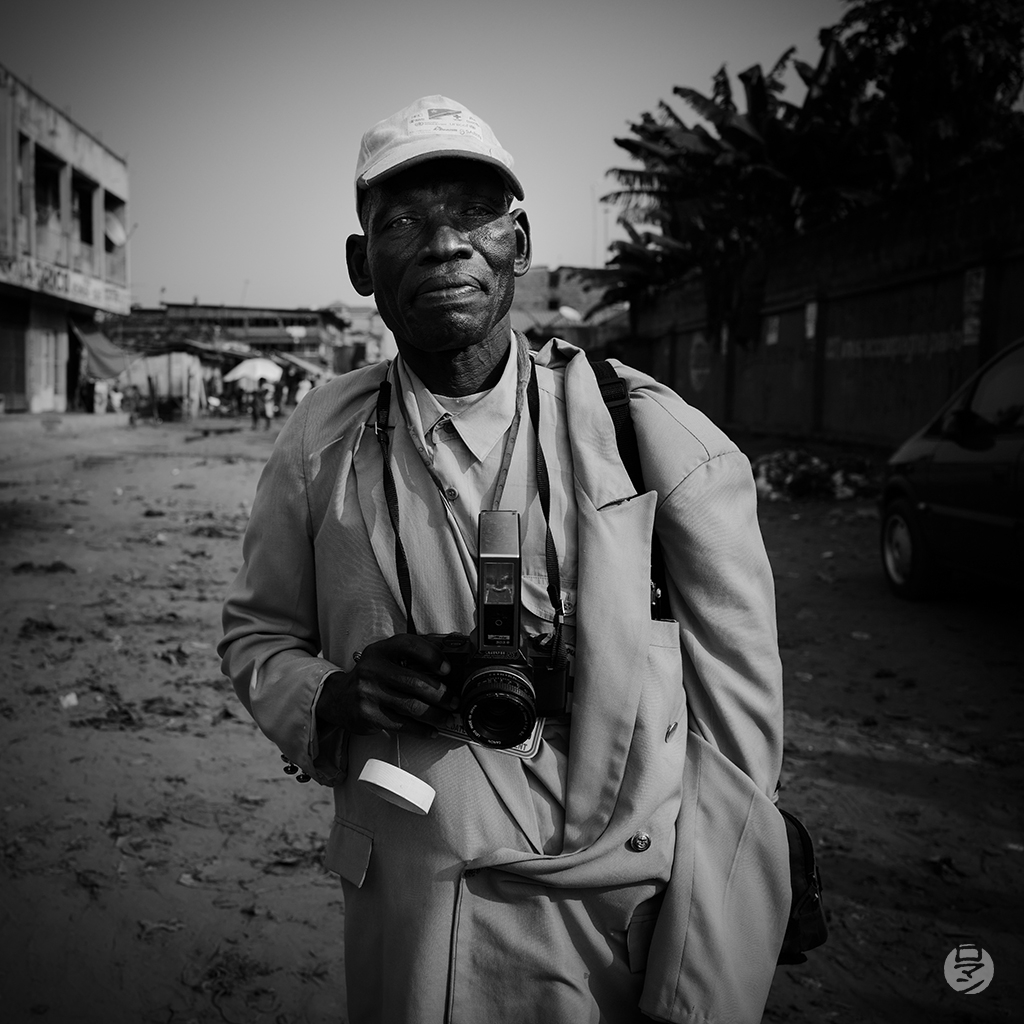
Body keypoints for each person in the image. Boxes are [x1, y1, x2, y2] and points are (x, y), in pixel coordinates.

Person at [219, 95, 789, 1024]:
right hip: (408, 919)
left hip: (604, 937)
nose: (445, 243)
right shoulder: (320, 441)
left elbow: (737, 764)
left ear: (518, 245)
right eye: (403, 221)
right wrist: (335, 695)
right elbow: (258, 635)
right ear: (362, 265)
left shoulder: (655, 441)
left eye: (475, 214)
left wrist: (699, 997)